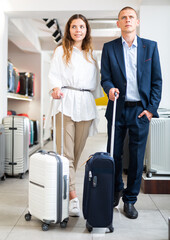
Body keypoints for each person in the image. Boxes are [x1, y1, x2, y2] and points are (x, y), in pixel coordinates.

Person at [101, 6, 162, 219]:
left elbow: (157, 81)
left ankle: (130, 200)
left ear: (137, 22)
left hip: (140, 111)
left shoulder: (150, 47)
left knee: (136, 158)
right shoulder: (109, 48)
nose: (127, 20)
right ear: (118, 23)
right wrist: (109, 88)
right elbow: (105, 77)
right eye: (123, 18)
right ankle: (117, 189)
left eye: (131, 17)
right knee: (114, 154)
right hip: (117, 109)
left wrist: (151, 110)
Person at [48, 14, 103, 217]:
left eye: (81, 26)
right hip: (65, 102)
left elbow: (99, 80)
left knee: (76, 153)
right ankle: (72, 196)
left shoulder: (91, 54)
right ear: (68, 30)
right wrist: (55, 88)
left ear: (86, 30)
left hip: (86, 105)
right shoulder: (61, 51)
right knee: (66, 154)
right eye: (74, 26)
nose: (78, 30)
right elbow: (53, 74)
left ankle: (65, 187)